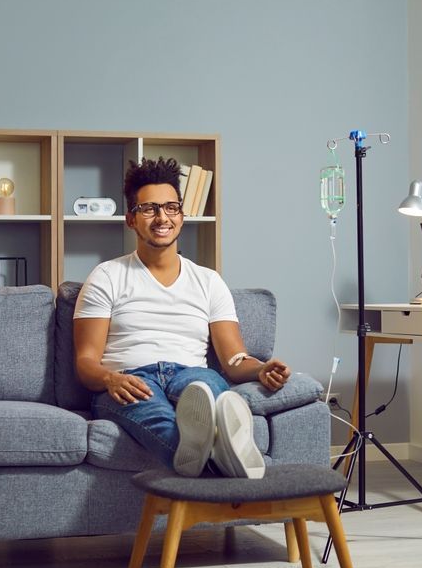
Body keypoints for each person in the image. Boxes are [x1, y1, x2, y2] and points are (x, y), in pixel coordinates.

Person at [73, 156, 291, 479]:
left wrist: (261, 369)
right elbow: (85, 361)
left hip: (190, 377)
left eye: (170, 207)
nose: (162, 217)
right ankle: (233, 464)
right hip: (132, 380)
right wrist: (111, 379)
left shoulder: (209, 281)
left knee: (209, 388)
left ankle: (218, 448)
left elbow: (233, 359)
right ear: (131, 220)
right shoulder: (106, 277)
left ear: (182, 215)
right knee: (166, 423)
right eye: (149, 209)